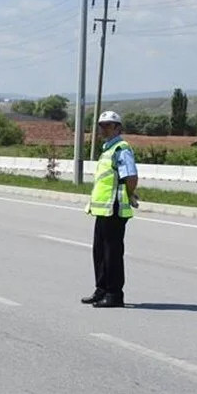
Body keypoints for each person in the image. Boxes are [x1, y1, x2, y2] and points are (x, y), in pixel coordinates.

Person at [81, 110, 139, 308]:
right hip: (103, 209)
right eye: (101, 125)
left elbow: (130, 177)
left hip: (114, 208)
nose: (103, 128)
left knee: (112, 253)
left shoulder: (121, 149)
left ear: (117, 127)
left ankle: (114, 294)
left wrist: (130, 194)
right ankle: (102, 289)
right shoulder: (107, 149)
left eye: (108, 125)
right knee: (99, 251)